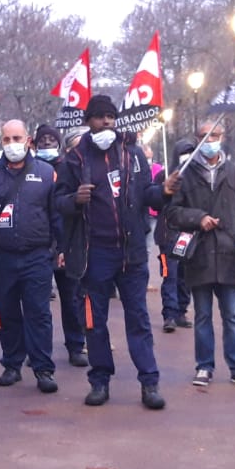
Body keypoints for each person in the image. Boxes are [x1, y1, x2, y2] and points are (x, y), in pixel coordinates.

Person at [53, 95, 166, 410]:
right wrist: (75, 199)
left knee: (138, 319)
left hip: (131, 253)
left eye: (111, 117)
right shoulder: (75, 159)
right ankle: (100, 381)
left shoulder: (133, 154)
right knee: (94, 321)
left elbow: (148, 195)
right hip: (95, 255)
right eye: (100, 117)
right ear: (88, 121)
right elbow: (58, 202)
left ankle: (149, 382)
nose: (106, 122)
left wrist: (166, 191)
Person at [0, 119, 59, 393]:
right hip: (2, 256)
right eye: (7, 139)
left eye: (17, 138)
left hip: (37, 256)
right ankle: (12, 364)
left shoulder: (46, 172)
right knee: (5, 312)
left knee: (38, 314)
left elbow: (56, 214)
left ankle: (43, 369)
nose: (12, 144)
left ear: (28, 140)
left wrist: (59, 249)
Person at [163, 121, 235, 388]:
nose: (210, 141)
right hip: (200, 254)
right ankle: (204, 366)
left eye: (214, 135)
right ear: (197, 139)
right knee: (202, 316)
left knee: (232, 316)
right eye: (204, 136)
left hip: (228, 254)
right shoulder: (184, 174)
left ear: (222, 137)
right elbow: (173, 213)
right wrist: (199, 218)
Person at [39, 124, 88, 368]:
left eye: (51, 139)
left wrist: (64, 246)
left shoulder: (68, 168)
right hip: (38, 245)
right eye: (43, 139)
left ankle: (76, 345)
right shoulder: (30, 168)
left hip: (65, 243)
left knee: (71, 299)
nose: (47, 143)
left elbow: (68, 207)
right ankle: (38, 350)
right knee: (37, 304)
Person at [153, 140, 194, 334]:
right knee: (169, 274)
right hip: (166, 234)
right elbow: (154, 202)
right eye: (184, 152)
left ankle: (181, 311)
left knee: (185, 275)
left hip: (186, 234)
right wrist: (164, 190)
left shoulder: (194, 177)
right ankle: (169, 314)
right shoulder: (164, 175)